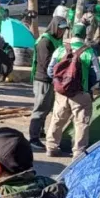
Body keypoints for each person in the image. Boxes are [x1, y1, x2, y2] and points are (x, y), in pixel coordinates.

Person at [45, 28, 100, 158]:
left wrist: (59, 84)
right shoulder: (89, 52)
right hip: (81, 93)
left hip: (61, 93)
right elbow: (97, 75)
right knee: (81, 123)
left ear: (72, 34)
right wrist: (90, 88)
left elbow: (50, 70)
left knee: (57, 119)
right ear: (84, 35)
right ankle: (78, 152)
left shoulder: (60, 49)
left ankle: (51, 147)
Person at [28, 17, 69, 150]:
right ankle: (33, 138)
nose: (62, 32)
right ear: (55, 27)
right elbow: (45, 63)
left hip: (51, 79)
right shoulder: (45, 41)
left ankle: (40, 131)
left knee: (46, 107)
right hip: (43, 79)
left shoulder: (56, 40)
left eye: (64, 30)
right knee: (39, 109)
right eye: (60, 29)